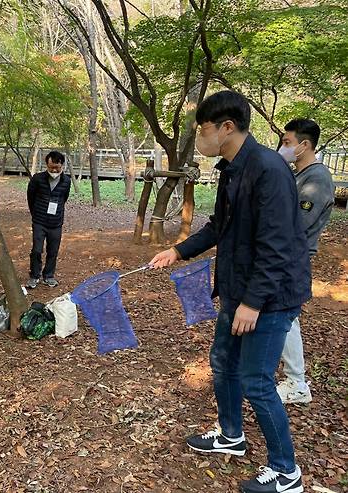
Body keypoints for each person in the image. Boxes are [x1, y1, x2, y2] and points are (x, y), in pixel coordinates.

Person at [150, 91, 310, 493]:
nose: (199, 137)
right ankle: (231, 434)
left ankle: (286, 471)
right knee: (222, 362)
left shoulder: (268, 170)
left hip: (270, 297)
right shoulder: (231, 170)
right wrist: (176, 250)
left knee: (256, 380)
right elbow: (218, 227)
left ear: (226, 127)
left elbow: (276, 246)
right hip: (238, 290)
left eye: (203, 129)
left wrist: (253, 303)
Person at [276, 118, 335, 405]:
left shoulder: (317, 179)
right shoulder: (295, 175)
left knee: (287, 318)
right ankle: (291, 377)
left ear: (305, 145)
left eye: (287, 143)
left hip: (292, 258)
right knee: (282, 317)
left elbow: (297, 224)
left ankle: (297, 382)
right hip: (280, 255)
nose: (283, 148)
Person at [26, 150, 71, 289]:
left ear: (62, 165)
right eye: (51, 167)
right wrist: (36, 213)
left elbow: (64, 198)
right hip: (39, 221)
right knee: (37, 250)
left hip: (56, 223)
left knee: (53, 251)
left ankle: (49, 276)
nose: (54, 170)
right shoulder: (37, 179)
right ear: (46, 164)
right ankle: (34, 275)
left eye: (57, 167)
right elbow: (30, 197)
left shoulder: (66, 181)